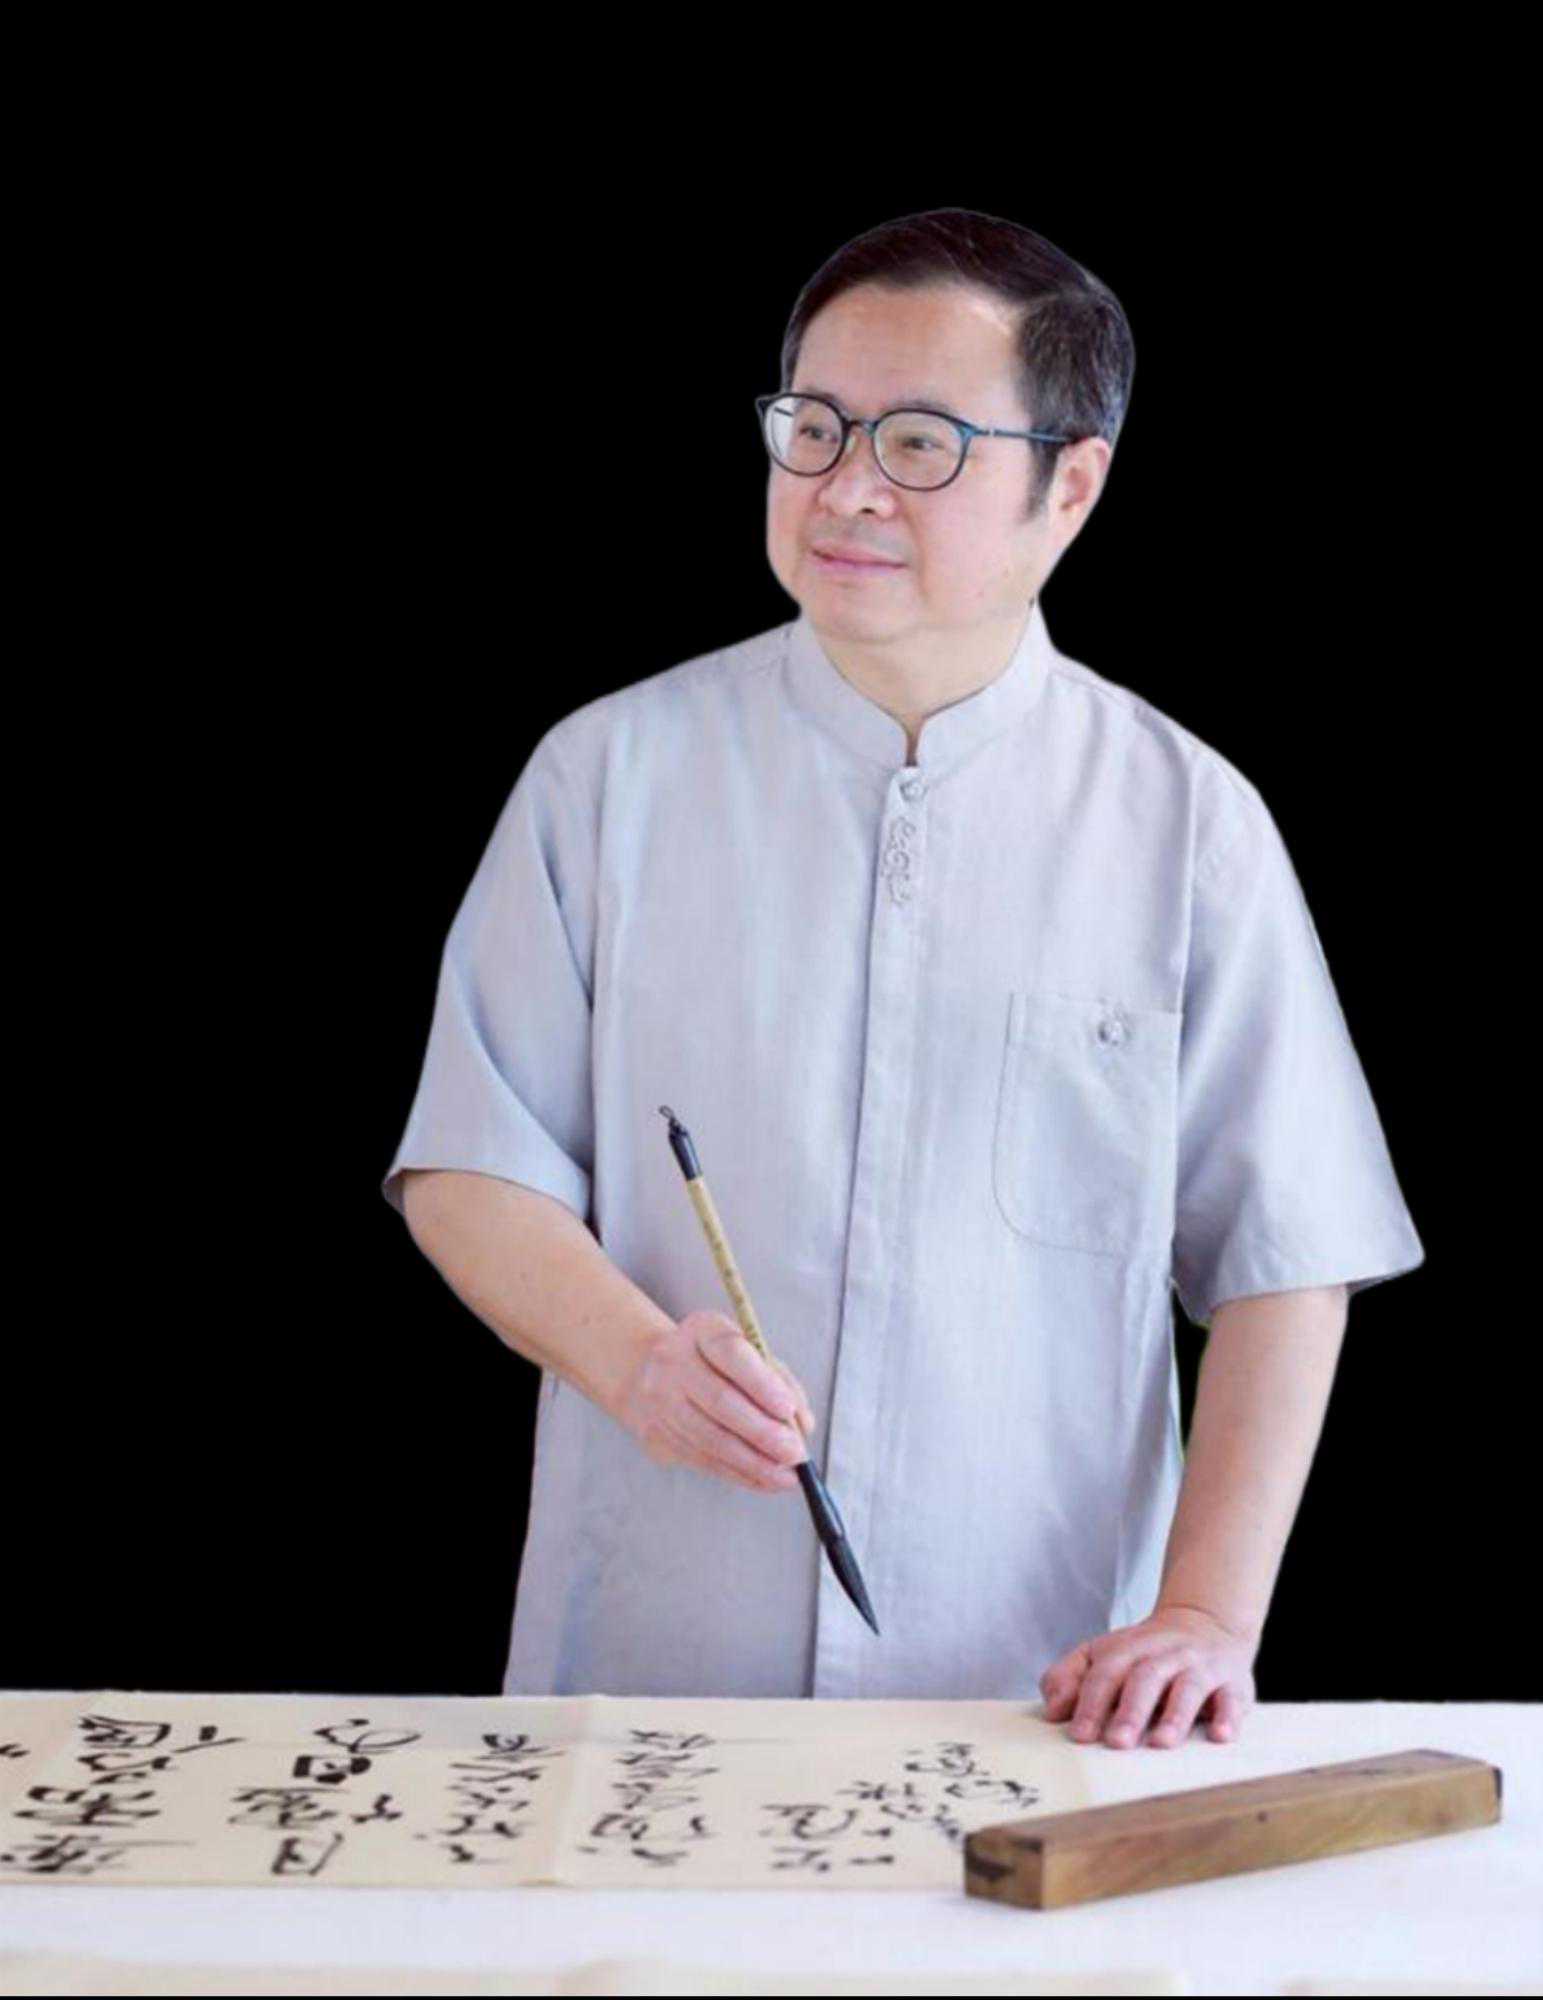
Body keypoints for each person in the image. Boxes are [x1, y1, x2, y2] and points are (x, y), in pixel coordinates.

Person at [380, 207, 1423, 1749]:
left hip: (1040, 1687)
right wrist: (637, 1361)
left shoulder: (1186, 823)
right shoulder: (608, 777)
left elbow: (1287, 1255)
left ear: (1072, 484)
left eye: (923, 444)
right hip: (653, 1673)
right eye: (815, 427)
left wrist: (1206, 1614)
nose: (847, 487)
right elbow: (470, 1166)